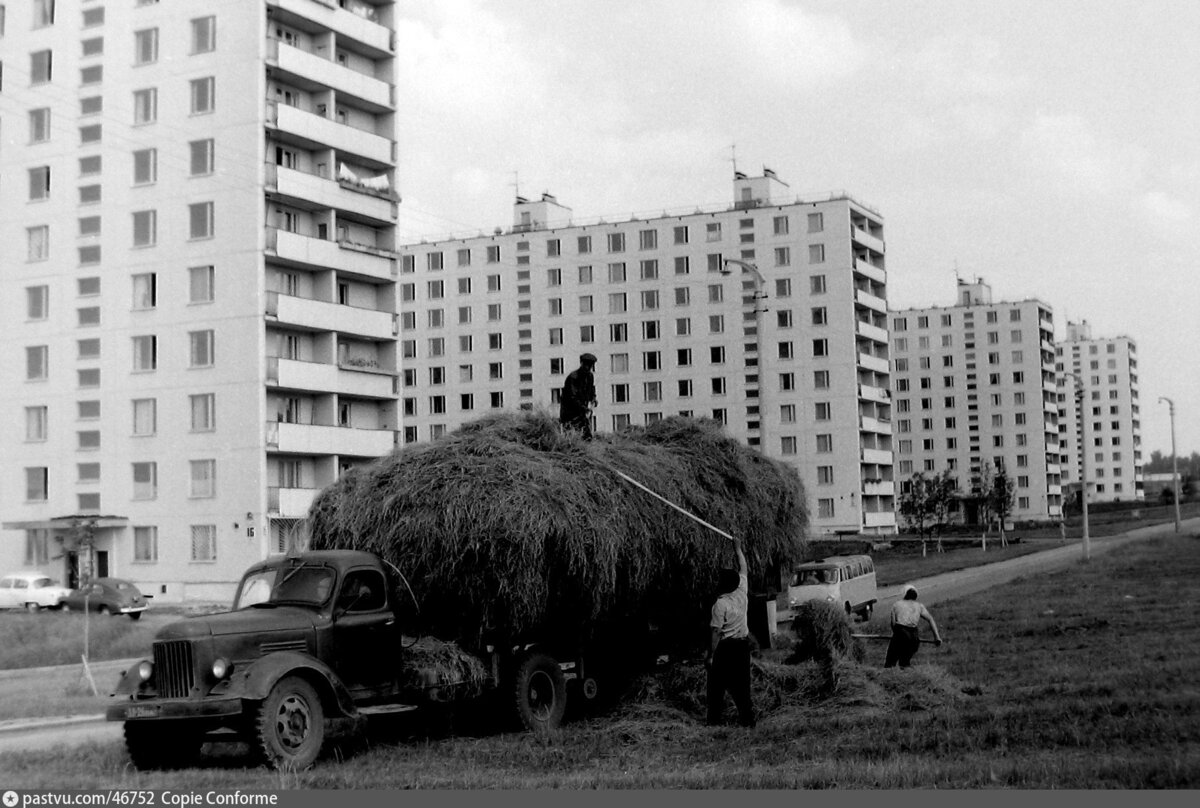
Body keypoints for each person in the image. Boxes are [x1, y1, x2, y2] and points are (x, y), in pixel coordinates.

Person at [706, 538, 755, 728]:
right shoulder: (742, 591)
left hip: (725, 649)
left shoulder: (720, 604)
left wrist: (710, 655)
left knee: (716, 686)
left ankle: (714, 722)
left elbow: (716, 632)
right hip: (742, 647)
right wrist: (738, 549)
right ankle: (747, 721)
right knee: (743, 686)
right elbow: (743, 567)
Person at [884, 584, 943, 668]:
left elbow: (893, 624)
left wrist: (896, 638)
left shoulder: (896, 605)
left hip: (900, 633)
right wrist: (937, 637)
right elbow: (930, 619)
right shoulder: (919, 606)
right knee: (905, 663)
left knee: (890, 663)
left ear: (904, 594)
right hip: (914, 638)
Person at [559, 353, 598, 439]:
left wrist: (593, 399)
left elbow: (591, 390)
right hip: (569, 412)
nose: (587, 368)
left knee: (587, 436)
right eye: (586, 365)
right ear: (581, 363)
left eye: (590, 366)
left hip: (581, 412)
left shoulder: (590, 376)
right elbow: (572, 397)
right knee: (570, 437)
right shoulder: (573, 377)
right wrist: (584, 408)